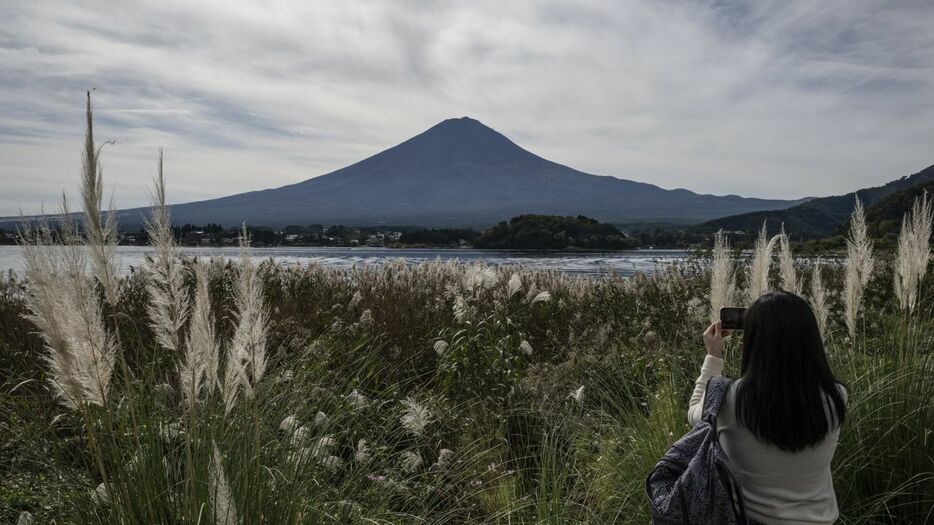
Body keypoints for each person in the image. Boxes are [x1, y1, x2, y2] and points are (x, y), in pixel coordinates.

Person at [688, 290, 848, 525]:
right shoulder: (836, 396)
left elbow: (695, 415)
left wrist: (714, 356)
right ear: (810, 338)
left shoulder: (731, 399)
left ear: (754, 340)